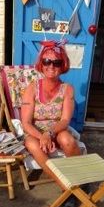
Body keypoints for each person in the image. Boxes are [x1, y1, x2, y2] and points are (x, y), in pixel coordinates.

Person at [21, 40, 81, 190]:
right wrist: (42, 136)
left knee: (67, 139)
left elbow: (65, 120)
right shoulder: (31, 88)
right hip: (35, 132)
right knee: (31, 144)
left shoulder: (67, 89)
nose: (51, 66)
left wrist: (49, 133)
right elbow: (26, 123)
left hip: (56, 129)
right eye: (47, 61)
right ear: (41, 63)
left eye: (57, 62)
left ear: (63, 65)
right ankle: (66, 186)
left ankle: (80, 178)